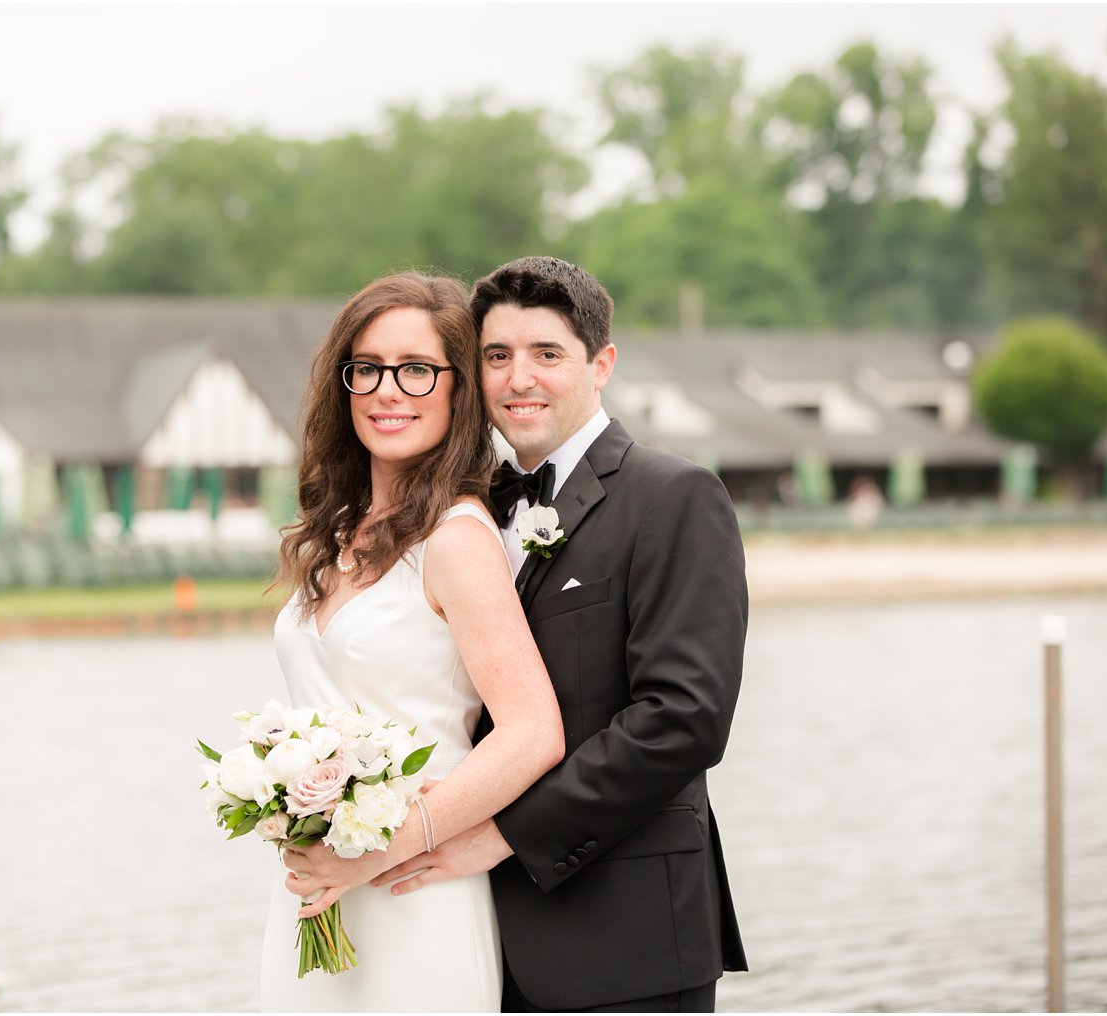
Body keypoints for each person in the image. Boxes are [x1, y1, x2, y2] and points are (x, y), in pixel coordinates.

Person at [373, 256, 749, 1012]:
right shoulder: (469, 511)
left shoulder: (674, 497)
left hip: (627, 934)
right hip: (476, 936)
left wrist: (504, 833)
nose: (519, 380)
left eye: (547, 354)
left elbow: (683, 719)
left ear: (601, 363)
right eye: (497, 357)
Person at [263, 273, 565, 1012]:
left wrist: (382, 848)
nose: (386, 390)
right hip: (317, 892)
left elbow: (533, 731)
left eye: (416, 370)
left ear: (458, 389)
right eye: (366, 368)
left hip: (411, 887)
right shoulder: (335, 534)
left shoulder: (457, 539)